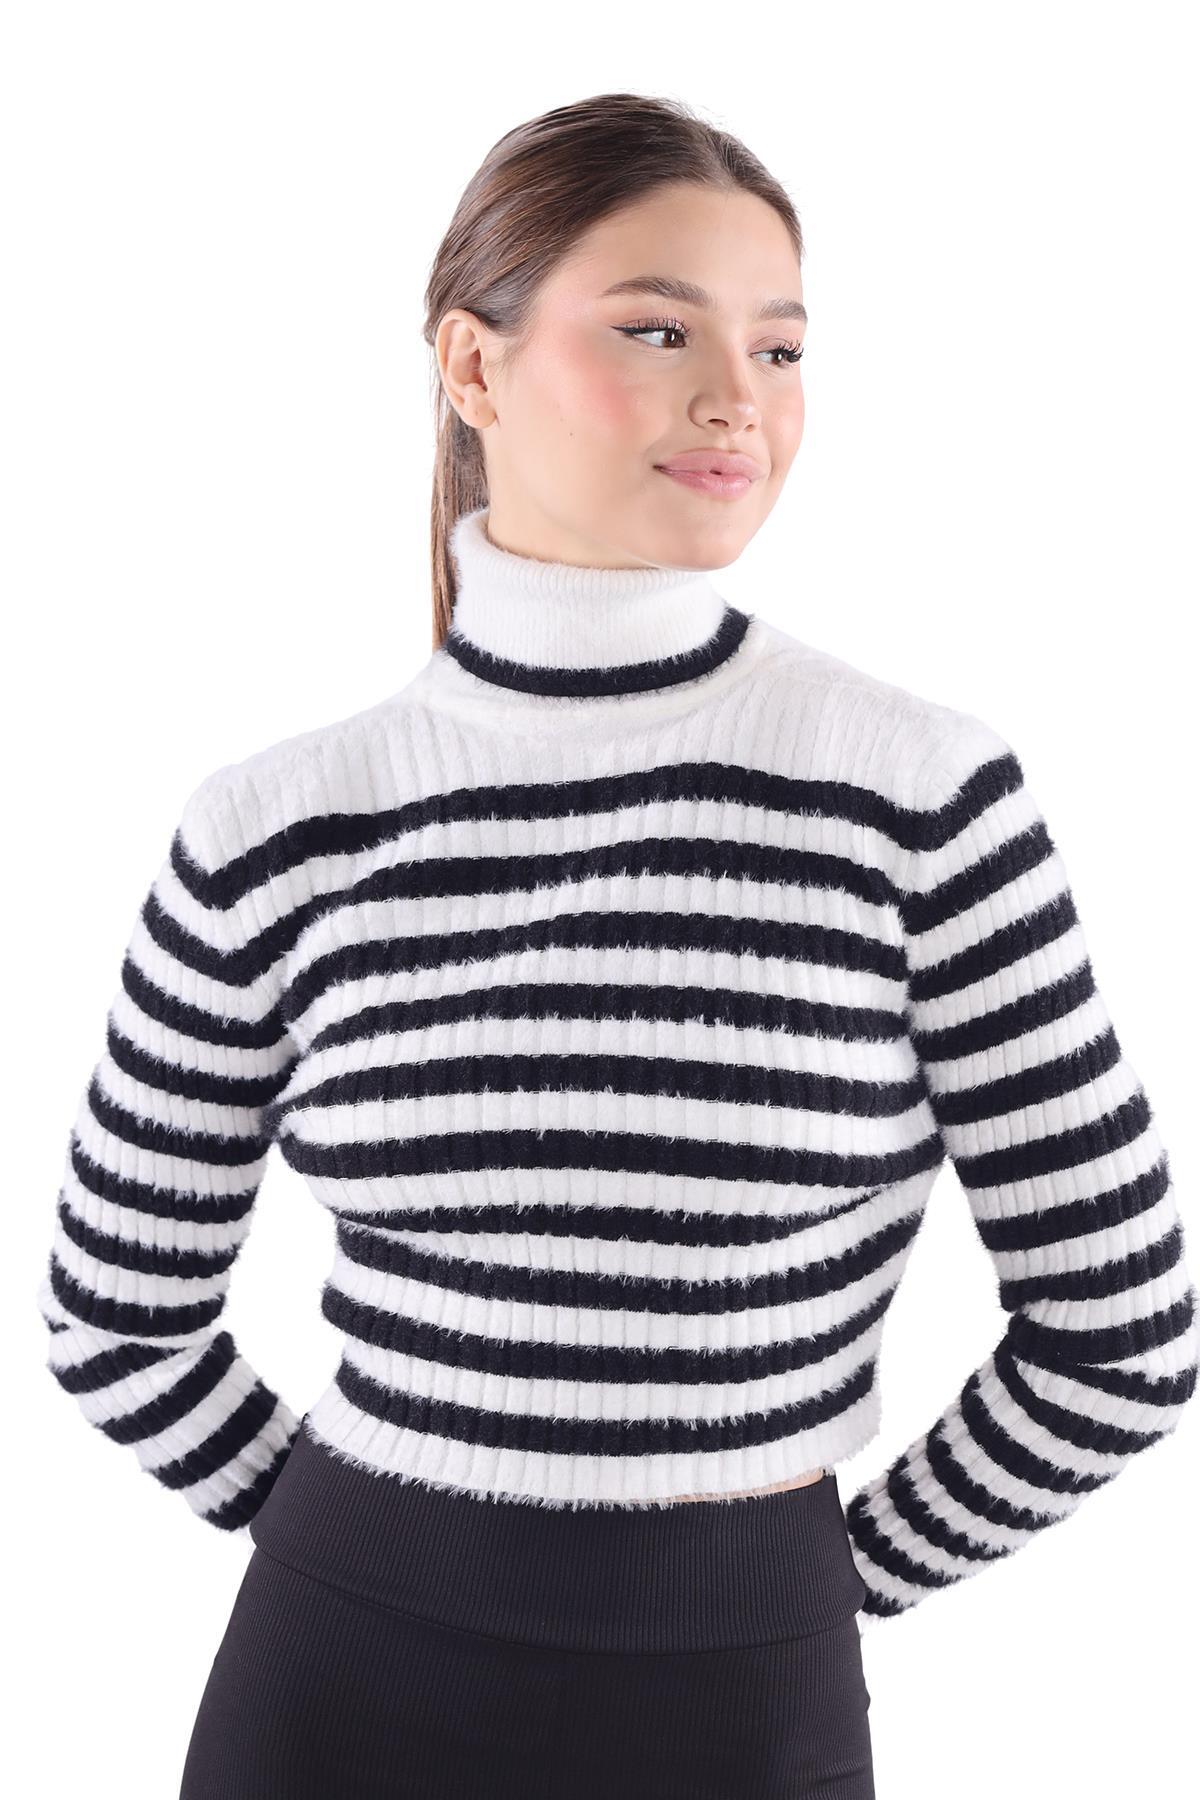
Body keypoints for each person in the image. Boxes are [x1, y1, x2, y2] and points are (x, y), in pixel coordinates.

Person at [37, 92, 1197, 1800]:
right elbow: (113, 1315)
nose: (739, 398)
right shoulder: (277, 825)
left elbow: (1125, 1330)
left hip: (742, 1706)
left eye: (780, 347)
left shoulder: (914, 796)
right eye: (659, 329)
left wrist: (802, 1588)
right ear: (472, 363)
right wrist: (379, 1556)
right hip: (334, 1693)